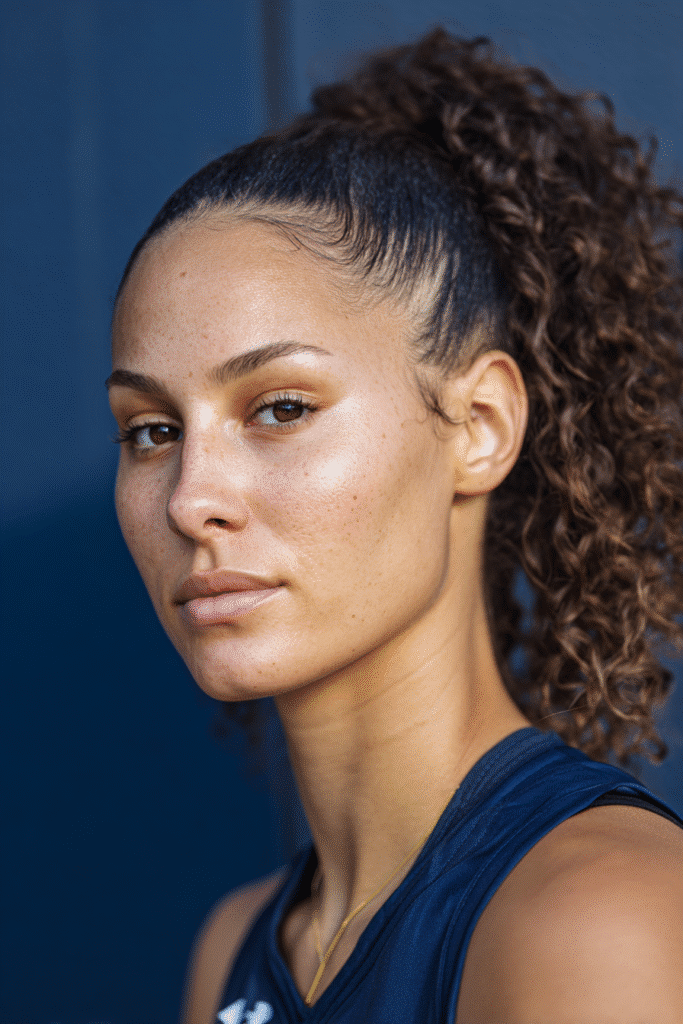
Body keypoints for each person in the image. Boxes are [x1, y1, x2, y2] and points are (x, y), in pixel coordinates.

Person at [106, 28, 683, 1024]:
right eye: (151, 429)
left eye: (279, 407)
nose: (189, 495)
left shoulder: (599, 916)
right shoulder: (233, 951)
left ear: (477, 427)